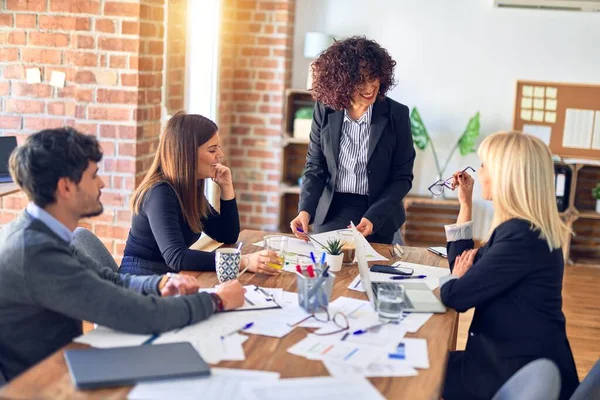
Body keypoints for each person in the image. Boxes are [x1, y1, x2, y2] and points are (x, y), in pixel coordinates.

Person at [0, 128, 245, 383]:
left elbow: (108, 279)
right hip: (38, 383)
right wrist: (216, 301)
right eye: (93, 176)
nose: (102, 183)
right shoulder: (36, 251)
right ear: (65, 187)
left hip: (63, 365)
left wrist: (159, 284)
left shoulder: (43, 231)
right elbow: (131, 312)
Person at [440, 131, 579, 400]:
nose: (479, 174)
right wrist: (465, 204)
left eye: (483, 166)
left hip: (514, 376)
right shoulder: (522, 230)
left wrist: (457, 278)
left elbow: (457, 295)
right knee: (428, 361)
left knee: (423, 371)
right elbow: (463, 264)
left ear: (505, 175)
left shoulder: (522, 238)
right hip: (502, 359)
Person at [290, 36, 415, 245]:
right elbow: (315, 166)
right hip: (332, 209)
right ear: (342, 83)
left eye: (373, 77)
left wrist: (373, 217)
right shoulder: (325, 109)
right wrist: (305, 210)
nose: (369, 87)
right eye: (360, 81)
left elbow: (402, 177)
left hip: (378, 211)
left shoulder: (397, 114)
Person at [120, 112, 279, 276]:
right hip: (140, 278)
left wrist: (226, 188)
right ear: (187, 154)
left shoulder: (188, 189)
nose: (220, 155)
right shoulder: (160, 193)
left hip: (170, 275)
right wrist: (243, 261)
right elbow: (176, 256)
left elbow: (227, 234)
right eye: (212, 150)